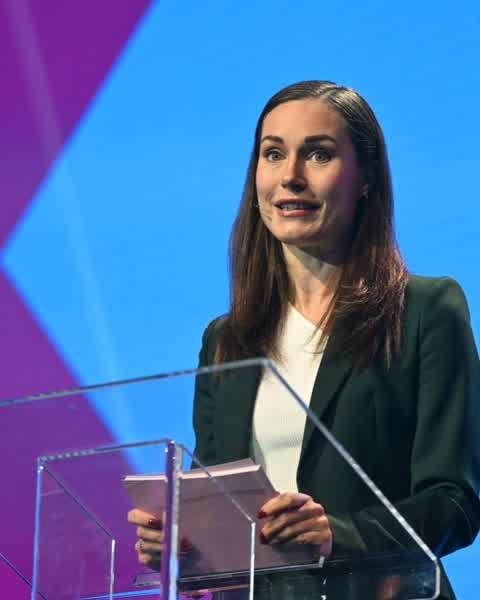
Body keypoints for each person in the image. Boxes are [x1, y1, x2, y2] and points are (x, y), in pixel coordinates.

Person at [128, 80, 480, 599]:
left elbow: (454, 502)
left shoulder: (427, 311)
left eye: (318, 154)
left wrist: (338, 535)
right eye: (273, 154)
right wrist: (184, 543)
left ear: (366, 178)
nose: (290, 176)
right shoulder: (226, 341)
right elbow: (221, 507)